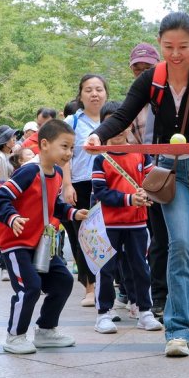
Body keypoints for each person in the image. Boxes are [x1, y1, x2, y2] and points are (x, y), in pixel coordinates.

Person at [87, 12, 189, 358]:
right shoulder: (151, 80)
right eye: (168, 46)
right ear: (160, 44)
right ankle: (178, 331)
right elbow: (124, 114)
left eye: (183, 47)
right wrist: (97, 135)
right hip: (171, 171)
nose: (175, 54)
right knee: (180, 245)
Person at [0, 120, 82, 355]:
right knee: (29, 287)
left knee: (63, 281)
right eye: (64, 146)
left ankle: (46, 330)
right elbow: (0, 198)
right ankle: (15, 336)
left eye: (72, 148)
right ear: (44, 144)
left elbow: (53, 205)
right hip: (15, 243)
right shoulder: (29, 171)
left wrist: (72, 213)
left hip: (40, 244)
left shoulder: (58, 174)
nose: (69, 153)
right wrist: (12, 218)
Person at [90, 112, 164, 334]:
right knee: (106, 269)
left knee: (141, 267)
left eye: (122, 123)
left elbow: (152, 182)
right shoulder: (100, 158)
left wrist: (149, 192)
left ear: (130, 125)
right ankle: (103, 314)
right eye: (111, 124)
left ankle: (144, 312)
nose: (119, 129)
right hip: (109, 224)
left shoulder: (140, 155)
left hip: (137, 223)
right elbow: (100, 191)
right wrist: (130, 198)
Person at [128, 43, 167, 317]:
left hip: (179, 174)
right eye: (137, 69)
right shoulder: (133, 104)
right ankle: (160, 297)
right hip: (149, 181)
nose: (143, 74)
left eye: (148, 69)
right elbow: (130, 147)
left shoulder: (173, 97)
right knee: (157, 240)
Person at [66, 74, 108, 307]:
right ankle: (90, 287)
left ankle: (111, 284)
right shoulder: (73, 121)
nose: (94, 94)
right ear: (80, 95)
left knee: (110, 235)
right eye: (88, 90)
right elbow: (65, 155)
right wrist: (66, 184)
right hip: (81, 182)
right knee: (84, 237)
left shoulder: (115, 118)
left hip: (109, 185)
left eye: (99, 89)